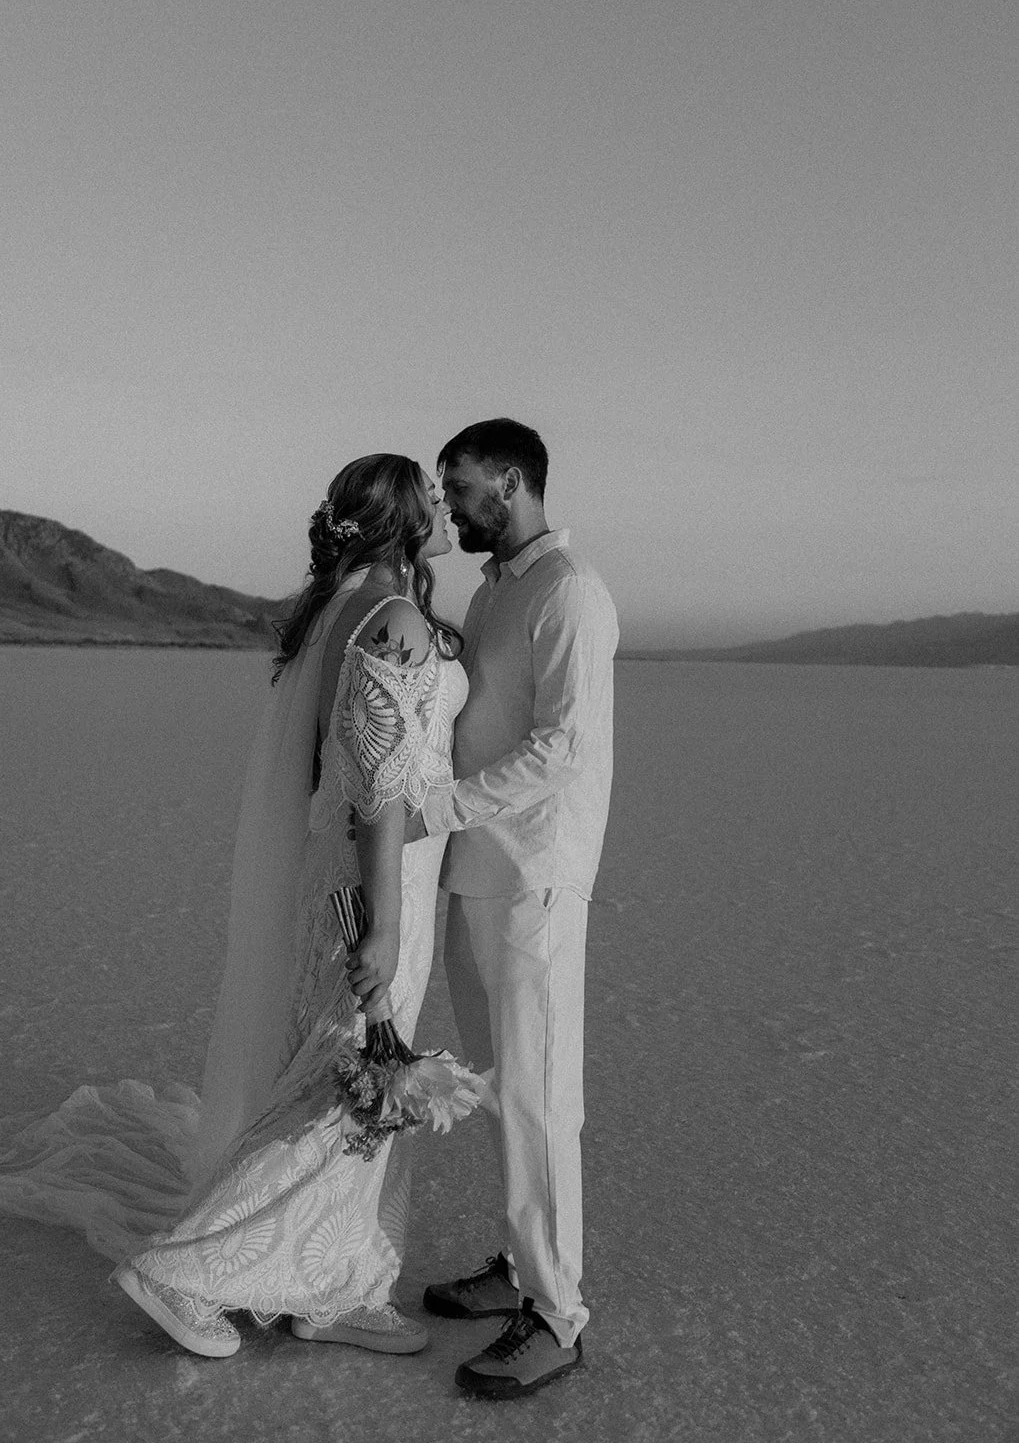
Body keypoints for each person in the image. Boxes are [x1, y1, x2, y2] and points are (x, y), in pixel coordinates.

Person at [0, 454, 469, 1359]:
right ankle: (185, 1272)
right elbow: (379, 790)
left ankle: (328, 1282)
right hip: (379, 880)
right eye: (428, 492)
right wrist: (385, 928)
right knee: (344, 1089)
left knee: (329, 1073)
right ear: (406, 516)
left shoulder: (335, 610)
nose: (438, 502)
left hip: (335, 873)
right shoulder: (391, 618)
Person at [412, 418, 619, 1399]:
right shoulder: (495, 589)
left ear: (509, 480)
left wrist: (434, 806)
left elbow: (562, 750)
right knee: (502, 1084)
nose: (447, 505)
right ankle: (514, 1264)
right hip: (471, 869)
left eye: (458, 488)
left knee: (540, 1096)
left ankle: (556, 1312)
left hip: (535, 874)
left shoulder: (569, 592)